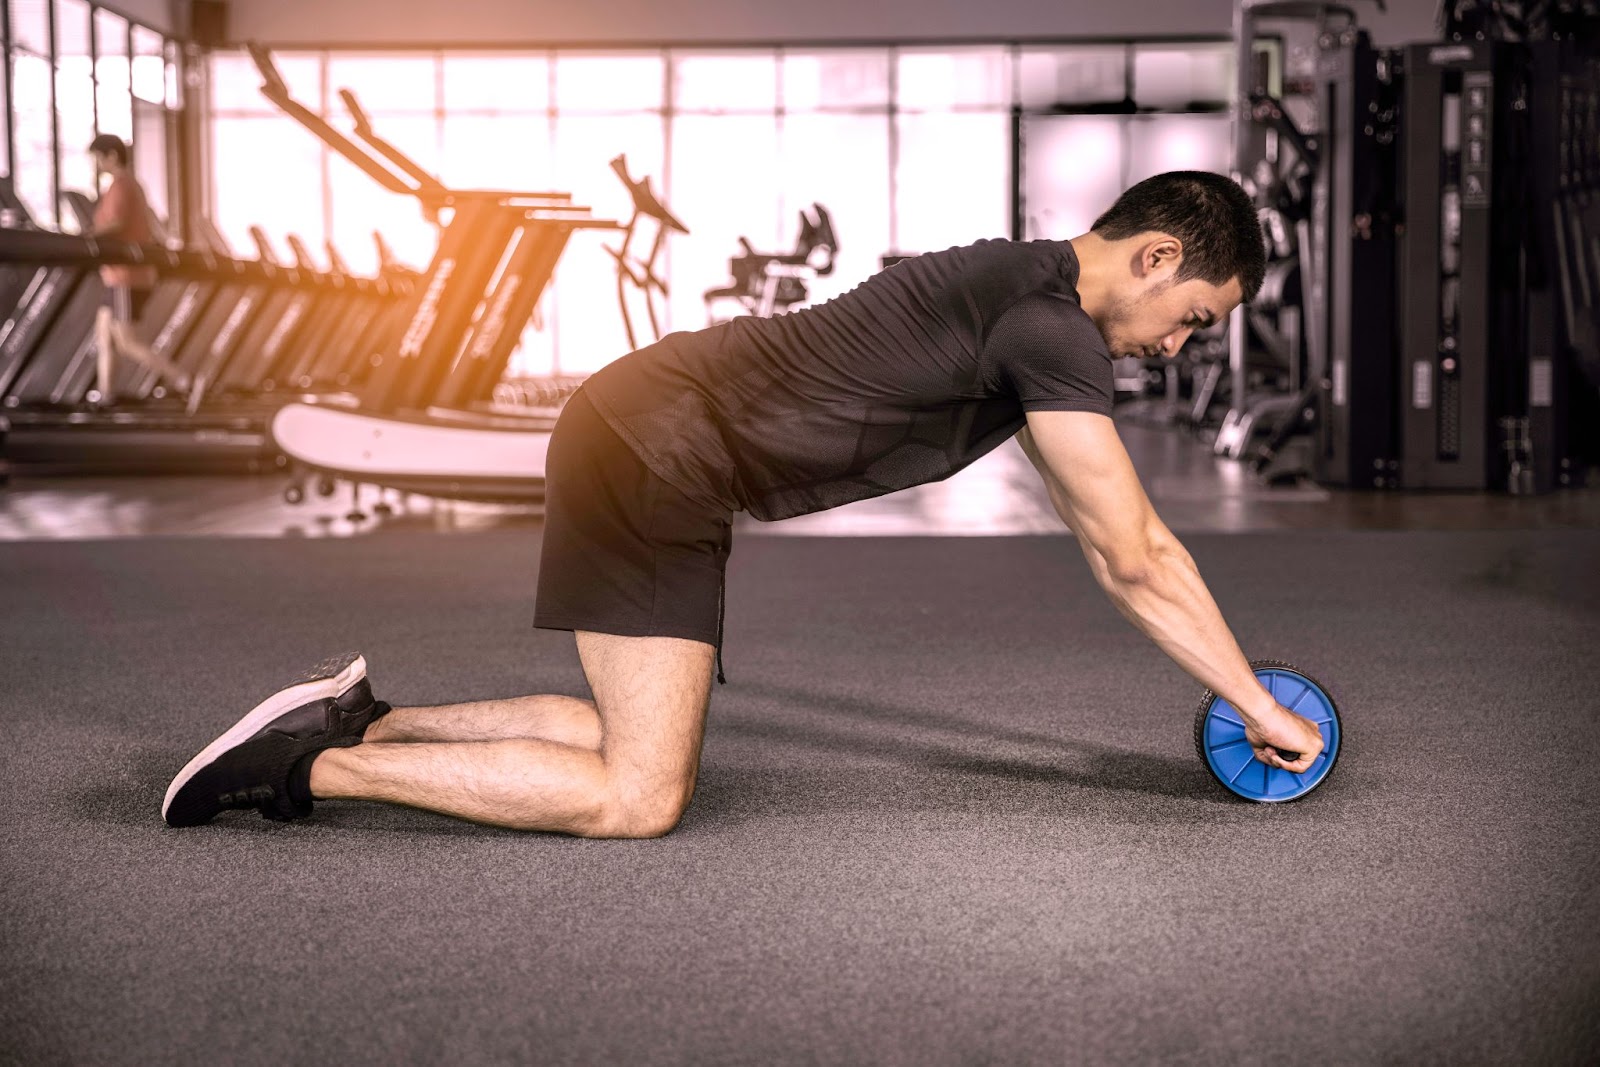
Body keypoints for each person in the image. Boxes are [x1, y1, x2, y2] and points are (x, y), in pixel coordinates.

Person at [162, 170, 1328, 836]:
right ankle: (300, 769)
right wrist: (1251, 704)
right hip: (654, 448)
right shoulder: (1046, 321)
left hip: (656, 435)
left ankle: (354, 718)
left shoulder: (1023, 292)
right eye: (1193, 319)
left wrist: (1229, 680)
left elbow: (1104, 535)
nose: (1177, 348)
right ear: (1158, 256)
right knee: (638, 794)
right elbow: (1135, 555)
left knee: (619, 737)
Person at [86, 133, 188, 405]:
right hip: (117, 275)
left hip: (124, 275)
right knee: (104, 336)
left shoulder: (122, 185)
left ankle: (181, 378)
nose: (96, 165)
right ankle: (105, 395)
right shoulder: (129, 185)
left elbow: (117, 223)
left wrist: (89, 235)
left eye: (98, 158)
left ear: (112, 156)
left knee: (126, 342)